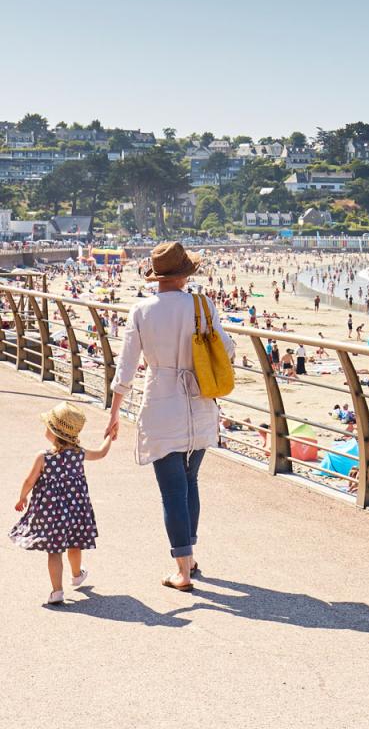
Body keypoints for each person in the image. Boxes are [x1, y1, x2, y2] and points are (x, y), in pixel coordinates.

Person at [105, 242, 235, 593]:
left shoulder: (142, 311)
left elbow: (127, 366)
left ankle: (183, 571)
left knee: (172, 489)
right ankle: (189, 559)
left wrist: (115, 411)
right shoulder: (202, 305)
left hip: (162, 402)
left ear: (156, 276)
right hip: (200, 401)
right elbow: (227, 348)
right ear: (184, 274)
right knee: (190, 481)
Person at [9, 401, 113, 605]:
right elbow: (101, 453)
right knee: (75, 544)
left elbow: (29, 480)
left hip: (51, 513)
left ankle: (57, 591)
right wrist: (110, 437)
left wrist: (22, 497)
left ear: (54, 431)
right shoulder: (79, 454)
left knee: (54, 551)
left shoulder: (44, 457)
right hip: (75, 511)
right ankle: (77, 575)